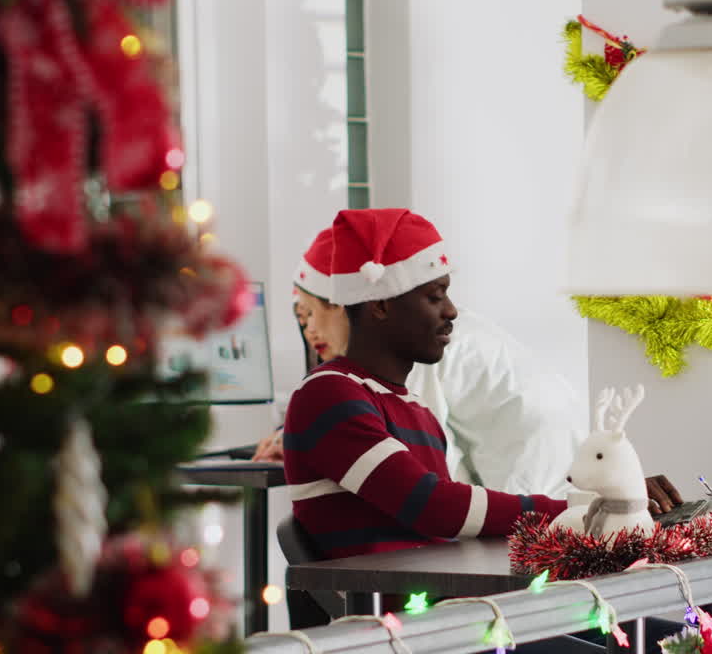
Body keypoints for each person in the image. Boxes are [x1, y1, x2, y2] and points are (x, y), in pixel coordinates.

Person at [283, 208, 683, 559]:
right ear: (381, 305)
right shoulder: (327, 394)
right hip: (417, 632)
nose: (452, 311)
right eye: (434, 296)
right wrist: (585, 507)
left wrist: (606, 505)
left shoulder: (414, 406)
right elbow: (434, 506)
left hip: (452, 609)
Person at [255, 227, 598, 501]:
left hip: (534, 488)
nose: (309, 330)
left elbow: (421, 463)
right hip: (559, 476)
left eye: (310, 313)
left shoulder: (412, 346)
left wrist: (306, 443)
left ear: (347, 305)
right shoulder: (436, 330)